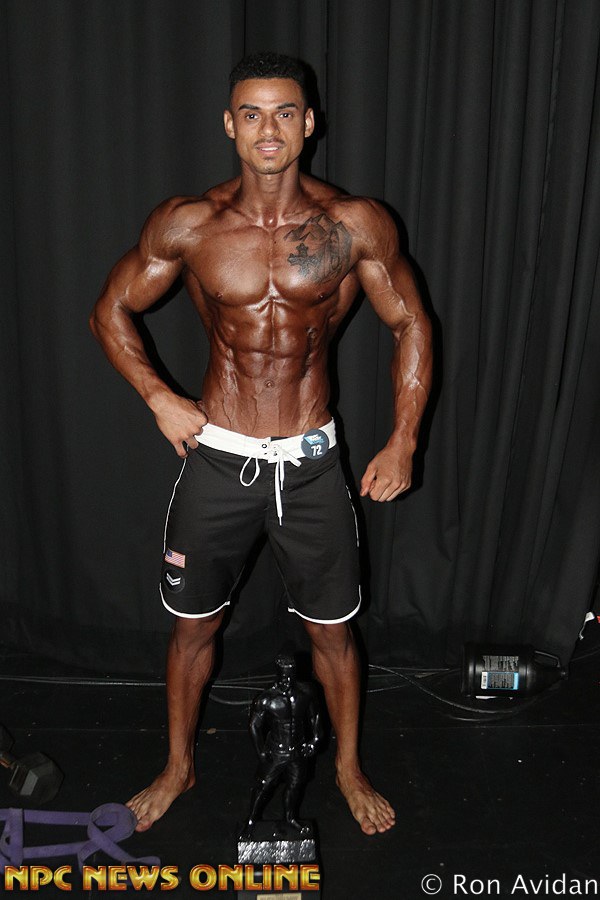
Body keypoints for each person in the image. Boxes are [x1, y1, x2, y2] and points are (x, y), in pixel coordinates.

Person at [90, 51, 432, 836]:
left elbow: (412, 322)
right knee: (193, 627)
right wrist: (159, 398)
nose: (267, 128)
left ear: (308, 124)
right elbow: (110, 309)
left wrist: (404, 439)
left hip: (310, 463)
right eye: (251, 113)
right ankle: (178, 766)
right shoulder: (191, 224)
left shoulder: (354, 225)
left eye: (283, 113)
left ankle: (347, 768)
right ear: (229, 125)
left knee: (332, 634)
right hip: (217, 456)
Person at [241, 653, 321, 839]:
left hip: (298, 749)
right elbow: (254, 725)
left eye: (291, 676)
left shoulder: (305, 692)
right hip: (276, 750)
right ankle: (251, 820)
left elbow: (315, 716)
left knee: (295, 785)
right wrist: (261, 750)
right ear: (278, 674)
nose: (287, 681)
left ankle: (290, 818)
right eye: (284, 677)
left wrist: (316, 738)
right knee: (263, 785)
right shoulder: (266, 698)